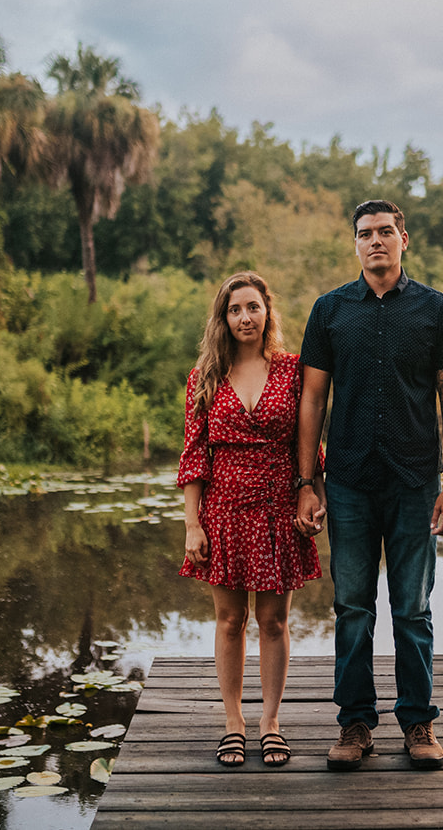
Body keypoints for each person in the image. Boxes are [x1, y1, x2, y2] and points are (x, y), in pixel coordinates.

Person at [294, 199, 443, 772]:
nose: (376, 241)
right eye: (365, 233)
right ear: (355, 244)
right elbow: (313, 399)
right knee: (351, 607)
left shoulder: (435, 309)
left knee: (413, 610)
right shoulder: (330, 310)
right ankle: (355, 724)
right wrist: (308, 483)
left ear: (404, 239)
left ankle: (418, 723)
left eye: (385, 232)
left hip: (416, 482)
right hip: (347, 484)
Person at [178, 271, 321, 768]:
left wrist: (312, 494)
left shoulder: (291, 369)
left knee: (274, 621)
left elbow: (308, 442)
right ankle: (234, 722)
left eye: (253, 307)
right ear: (223, 318)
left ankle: (271, 723)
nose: (245, 317)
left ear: (267, 311)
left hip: (279, 507)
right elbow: (194, 457)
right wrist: (193, 525)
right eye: (235, 309)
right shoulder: (205, 377)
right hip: (225, 512)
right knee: (230, 619)